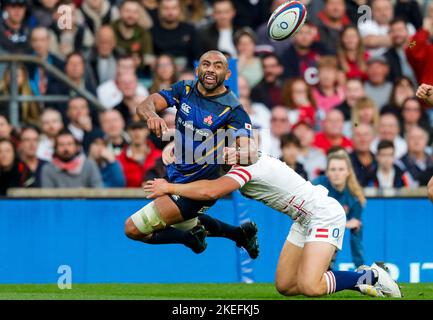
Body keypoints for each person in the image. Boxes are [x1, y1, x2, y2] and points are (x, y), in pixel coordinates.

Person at [143, 147, 401, 298]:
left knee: (311, 286)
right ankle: (362, 277)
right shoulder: (239, 160)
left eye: (232, 148)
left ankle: (368, 276)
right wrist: (174, 149)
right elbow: (208, 167)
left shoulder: (249, 163)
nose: (228, 154)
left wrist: (169, 185)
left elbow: (211, 191)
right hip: (302, 219)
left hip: (323, 213)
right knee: (286, 286)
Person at [124, 50, 259, 257]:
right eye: (206, 64)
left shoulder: (233, 110)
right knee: (188, 222)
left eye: (217, 65)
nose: (210, 69)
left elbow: (250, 149)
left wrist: (239, 154)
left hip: (199, 187)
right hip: (178, 172)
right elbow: (145, 105)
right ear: (198, 69)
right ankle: (239, 234)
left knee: (132, 229)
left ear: (228, 74)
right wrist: (152, 115)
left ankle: (190, 238)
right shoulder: (185, 89)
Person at [313, 150, 365, 268]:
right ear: (327, 173)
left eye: (341, 169)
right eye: (333, 169)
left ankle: (361, 268)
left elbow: (356, 224)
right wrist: (345, 224)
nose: (337, 173)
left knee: (357, 228)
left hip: (332, 232)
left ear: (348, 172)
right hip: (312, 229)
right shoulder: (318, 186)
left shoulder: (355, 196)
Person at [151, 0, 202, 70]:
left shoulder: (190, 30)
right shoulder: (152, 31)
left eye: (174, 8)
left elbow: (198, 56)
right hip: (160, 72)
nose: (170, 12)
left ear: (180, 9)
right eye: (166, 8)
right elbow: (150, 59)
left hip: (187, 73)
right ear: (159, 10)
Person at [116, 121, 164, 187]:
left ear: (147, 131)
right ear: (127, 132)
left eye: (141, 128)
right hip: (129, 196)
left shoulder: (160, 156)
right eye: (133, 129)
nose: (137, 133)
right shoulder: (119, 160)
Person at [111, 0, 153, 73]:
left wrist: (140, 61)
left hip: (137, 73)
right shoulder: (110, 30)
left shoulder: (144, 33)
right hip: (114, 71)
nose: (131, 15)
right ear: (120, 12)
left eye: (135, 12)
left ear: (139, 14)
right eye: (127, 11)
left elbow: (148, 59)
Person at [28, 27, 65, 96]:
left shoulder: (58, 64)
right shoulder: (25, 63)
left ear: (48, 41)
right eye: (35, 40)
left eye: (42, 40)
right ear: (31, 42)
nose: (38, 44)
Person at [384, 18, 417, 85]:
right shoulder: (387, 56)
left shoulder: (415, 47)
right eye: (393, 31)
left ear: (407, 31)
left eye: (400, 30)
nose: (397, 34)